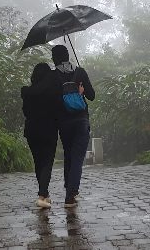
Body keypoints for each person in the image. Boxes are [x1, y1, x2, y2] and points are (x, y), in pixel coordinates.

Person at [51, 44, 95, 208]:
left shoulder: (53, 76)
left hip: (64, 123)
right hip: (81, 120)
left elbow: (53, 101)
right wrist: (80, 93)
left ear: (54, 58)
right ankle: (71, 193)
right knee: (77, 157)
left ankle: (69, 188)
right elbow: (92, 96)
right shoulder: (80, 72)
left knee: (69, 155)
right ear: (68, 56)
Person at [21, 62, 59, 209]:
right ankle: (42, 195)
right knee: (47, 162)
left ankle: (45, 194)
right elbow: (57, 110)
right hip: (49, 130)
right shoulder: (52, 92)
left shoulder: (27, 93)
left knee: (38, 162)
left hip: (32, 130)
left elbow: (26, 112)